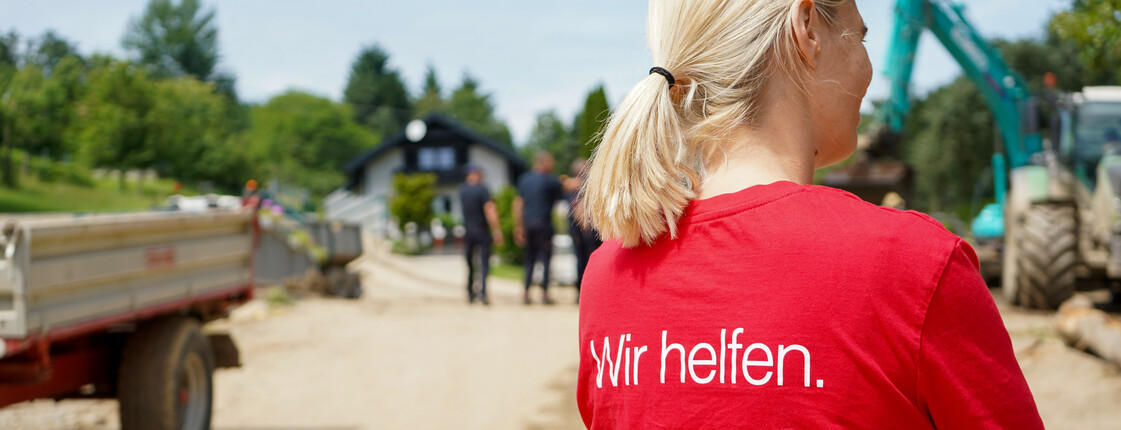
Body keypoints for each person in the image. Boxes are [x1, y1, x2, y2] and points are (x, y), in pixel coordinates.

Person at [576, 1, 1043, 428]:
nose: (868, 68)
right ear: (808, 30)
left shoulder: (609, 274)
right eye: (860, 38)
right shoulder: (916, 265)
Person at [514, 152, 563, 305]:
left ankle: (526, 293)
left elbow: (518, 204)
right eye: (551, 163)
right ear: (543, 163)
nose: (553, 166)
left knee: (529, 259)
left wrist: (518, 227)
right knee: (545, 259)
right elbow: (565, 187)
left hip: (528, 223)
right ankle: (544, 293)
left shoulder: (524, 180)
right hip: (543, 224)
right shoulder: (550, 182)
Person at [458, 165, 503, 305]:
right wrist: (496, 230)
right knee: (483, 263)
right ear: (475, 174)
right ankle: (482, 293)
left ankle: (470, 293)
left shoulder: (462, 190)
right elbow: (490, 209)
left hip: (468, 230)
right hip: (481, 229)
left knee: (470, 263)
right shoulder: (482, 189)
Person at [564, 158, 601, 304]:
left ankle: (582, 293)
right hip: (588, 233)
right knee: (586, 262)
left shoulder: (573, 189)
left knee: (581, 262)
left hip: (581, 233)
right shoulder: (588, 187)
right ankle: (587, 292)